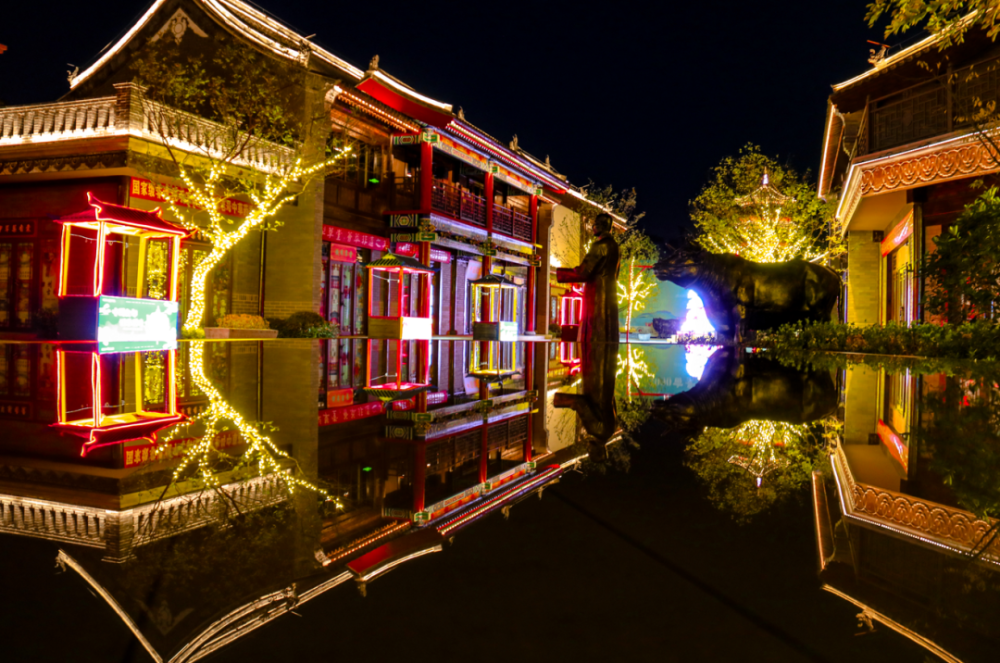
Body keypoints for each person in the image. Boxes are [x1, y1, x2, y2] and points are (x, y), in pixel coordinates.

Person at [555, 213, 620, 345]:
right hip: (610, 291)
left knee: (594, 327)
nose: (593, 227)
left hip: (596, 292)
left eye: (595, 224)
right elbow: (616, 272)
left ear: (601, 226)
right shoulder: (616, 247)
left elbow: (585, 272)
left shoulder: (598, 246)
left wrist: (563, 273)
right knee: (608, 326)